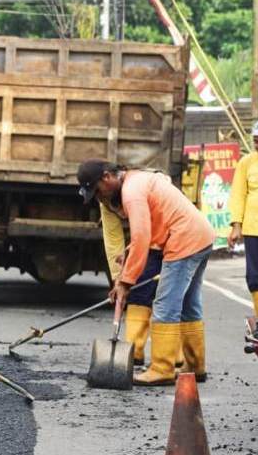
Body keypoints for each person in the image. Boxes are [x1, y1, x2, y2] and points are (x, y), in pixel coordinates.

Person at [78, 159, 214, 385]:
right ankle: (195, 366)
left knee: (165, 304)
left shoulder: (131, 192)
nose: (99, 197)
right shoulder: (138, 181)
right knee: (189, 304)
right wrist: (127, 262)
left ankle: (162, 368)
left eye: (97, 190)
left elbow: (141, 237)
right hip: (200, 236)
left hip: (185, 241)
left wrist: (125, 282)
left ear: (106, 177)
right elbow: (147, 232)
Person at [100, 201, 164, 367]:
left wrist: (126, 280)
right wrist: (117, 280)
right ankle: (134, 351)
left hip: (168, 238)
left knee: (167, 298)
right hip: (145, 240)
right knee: (138, 292)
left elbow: (142, 237)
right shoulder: (105, 202)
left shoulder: (134, 194)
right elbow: (114, 240)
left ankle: (173, 361)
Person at [228, 119, 258, 317]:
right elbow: (238, 194)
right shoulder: (246, 162)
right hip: (254, 231)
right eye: (257, 141)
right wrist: (236, 225)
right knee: (256, 278)